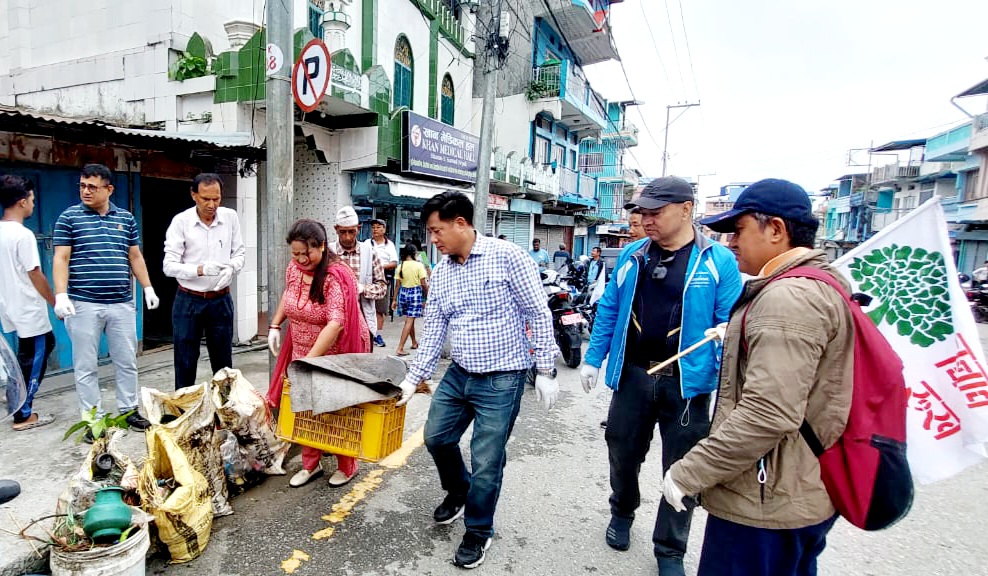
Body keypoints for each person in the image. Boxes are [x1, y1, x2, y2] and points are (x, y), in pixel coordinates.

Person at [664, 178, 853, 576]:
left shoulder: (787, 299)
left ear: (776, 230)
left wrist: (689, 471)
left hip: (765, 500)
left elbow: (768, 413)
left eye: (740, 230)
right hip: (796, 488)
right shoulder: (821, 284)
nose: (731, 242)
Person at [580, 176, 742, 576]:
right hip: (634, 375)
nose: (646, 220)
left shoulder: (717, 262)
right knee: (622, 451)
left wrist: (724, 335)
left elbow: (733, 322)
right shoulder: (633, 256)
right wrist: (593, 358)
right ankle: (622, 511)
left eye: (655, 212)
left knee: (683, 466)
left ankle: (670, 548)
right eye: (642, 213)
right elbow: (610, 311)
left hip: (687, 383)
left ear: (686, 209)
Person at [395, 191, 560, 569]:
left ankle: (478, 530)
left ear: (460, 223)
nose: (432, 240)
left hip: (502, 378)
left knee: (487, 460)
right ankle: (459, 491)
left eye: (437, 231)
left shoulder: (508, 258)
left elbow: (538, 311)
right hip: (459, 375)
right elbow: (434, 327)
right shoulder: (443, 273)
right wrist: (413, 379)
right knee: (436, 437)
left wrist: (546, 369)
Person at [53, 164, 157, 436]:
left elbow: (134, 256)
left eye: (92, 187)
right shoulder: (69, 218)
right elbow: (61, 258)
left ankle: (129, 411)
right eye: (82, 186)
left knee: (126, 361)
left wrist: (147, 287)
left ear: (109, 189)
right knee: (86, 366)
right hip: (83, 303)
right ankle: (93, 421)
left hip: (121, 303)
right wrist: (60, 294)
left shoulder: (126, 219)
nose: (85, 191)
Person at [268, 219, 371, 488]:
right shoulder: (294, 269)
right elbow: (288, 295)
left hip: (331, 353)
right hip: (301, 349)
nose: (301, 259)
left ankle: (347, 466)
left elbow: (336, 323)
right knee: (305, 409)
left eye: (307, 253)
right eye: (296, 253)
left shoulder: (334, 277)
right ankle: (310, 464)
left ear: (322, 247)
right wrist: (275, 324)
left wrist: (310, 359)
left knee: (335, 410)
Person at [162, 173, 245, 389]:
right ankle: (185, 411)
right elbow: (168, 266)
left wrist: (232, 268)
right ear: (194, 195)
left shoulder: (230, 217)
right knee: (185, 360)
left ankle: (226, 413)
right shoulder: (181, 222)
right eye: (205, 199)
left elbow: (240, 253)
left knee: (224, 363)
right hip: (189, 300)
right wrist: (199, 270)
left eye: (216, 199)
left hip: (220, 299)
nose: (211, 205)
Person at [0, 175, 56, 431]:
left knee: (24, 356)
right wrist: (55, 301)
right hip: (28, 307)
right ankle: (23, 413)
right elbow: (35, 272)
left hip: (10, 306)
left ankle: (17, 403)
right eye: (32, 200)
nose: (33, 204)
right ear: (22, 202)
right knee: (34, 357)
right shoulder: (22, 235)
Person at [330, 207, 387, 345]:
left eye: (352, 231)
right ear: (336, 229)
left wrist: (363, 289)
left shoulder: (370, 252)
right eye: (343, 232)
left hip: (364, 320)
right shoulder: (328, 253)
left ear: (358, 228)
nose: (348, 237)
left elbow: (382, 288)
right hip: (333, 323)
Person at [392, 243, 428, 356]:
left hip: (403, 294)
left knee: (409, 319)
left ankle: (413, 342)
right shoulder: (418, 266)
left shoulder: (400, 266)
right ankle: (400, 348)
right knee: (409, 321)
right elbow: (423, 283)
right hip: (415, 293)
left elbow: (397, 285)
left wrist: (394, 300)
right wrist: (427, 296)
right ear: (414, 253)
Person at [370, 218, 398, 347]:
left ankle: (378, 335)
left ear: (384, 229)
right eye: (373, 227)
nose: (375, 229)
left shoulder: (389, 245)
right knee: (366, 307)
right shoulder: (366, 244)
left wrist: (379, 266)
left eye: (378, 227)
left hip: (383, 280)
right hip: (368, 280)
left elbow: (394, 263)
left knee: (380, 310)